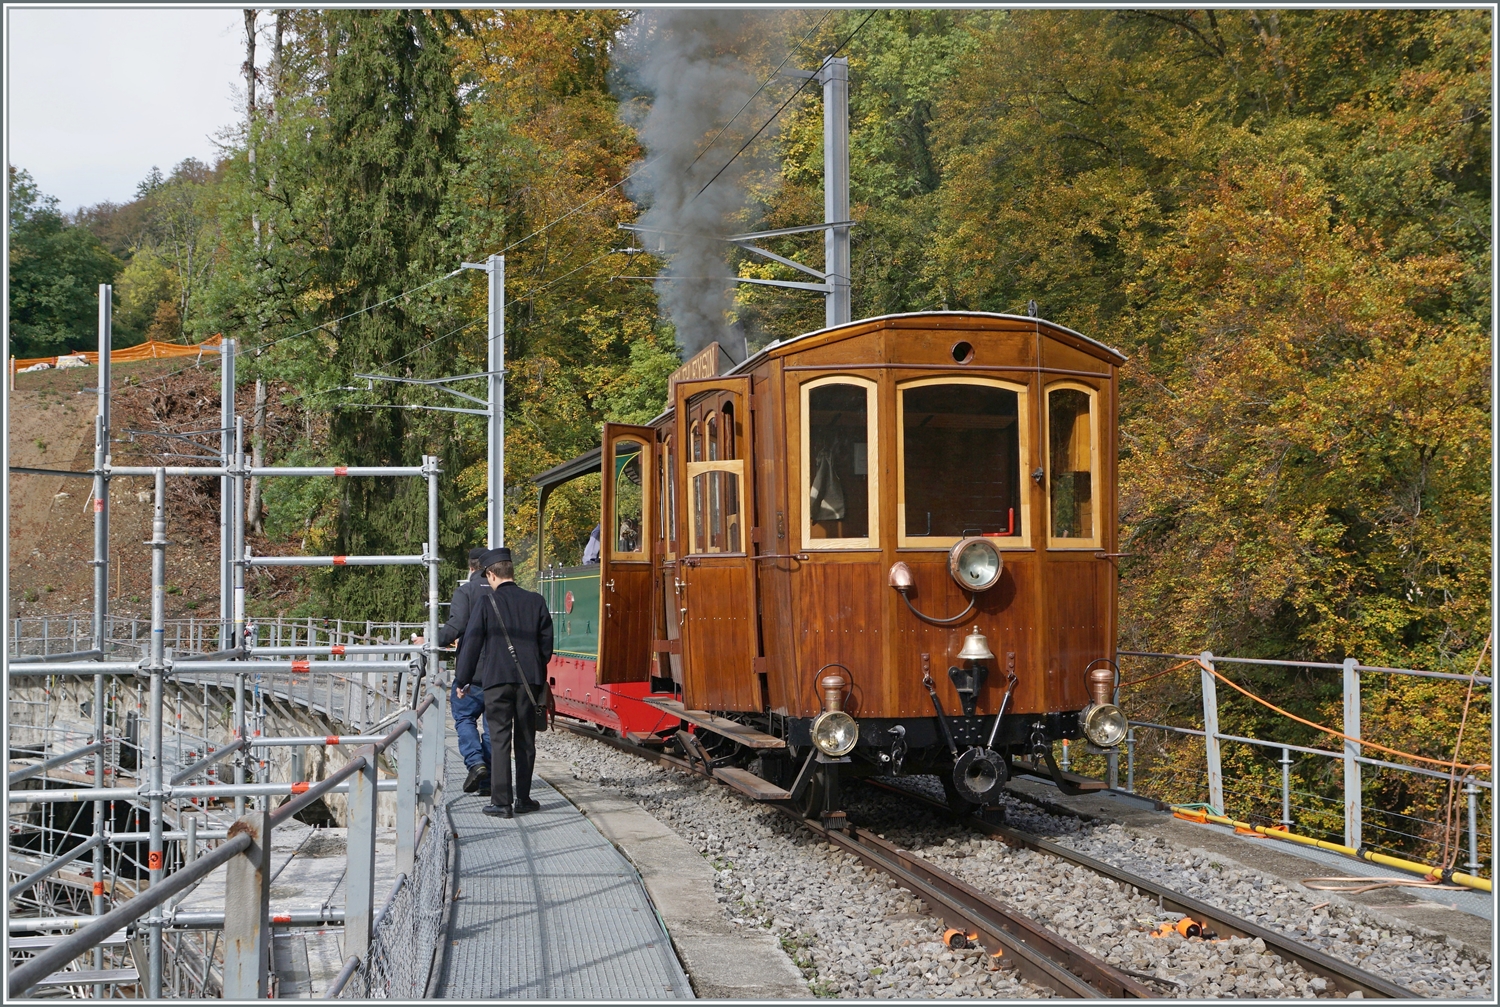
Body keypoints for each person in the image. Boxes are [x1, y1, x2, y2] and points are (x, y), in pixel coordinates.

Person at [455, 547, 554, 819]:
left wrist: (462, 680)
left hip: (496, 681)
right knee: (526, 738)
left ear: (489, 574)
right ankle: (524, 798)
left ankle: (501, 803)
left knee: (499, 739)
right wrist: (535, 667)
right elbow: (547, 644)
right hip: (529, 681)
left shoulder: (486, 603)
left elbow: (472, 644)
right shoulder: (536, 601)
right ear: (512, 571)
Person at [436, 547, 491, 795]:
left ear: (470, 567)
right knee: (493, 729)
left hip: (472, 672)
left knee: (464, 718)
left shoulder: (466, 591)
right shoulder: (503, 590)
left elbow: (455, 626)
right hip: (500, 674)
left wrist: (431, 639)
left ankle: (475, 762)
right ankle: (490, 782)